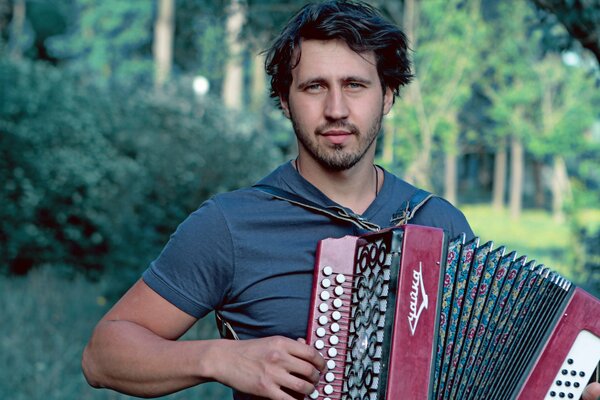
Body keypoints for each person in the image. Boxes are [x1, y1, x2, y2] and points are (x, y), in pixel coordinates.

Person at [81, 1, 600, 400]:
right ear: (285, 100)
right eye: (313, 87)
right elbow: (104, 355)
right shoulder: (230, 225)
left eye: (355, 84)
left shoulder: (439, 222)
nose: (335, 108)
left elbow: (479, 374)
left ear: (387, 96)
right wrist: (218, 359)